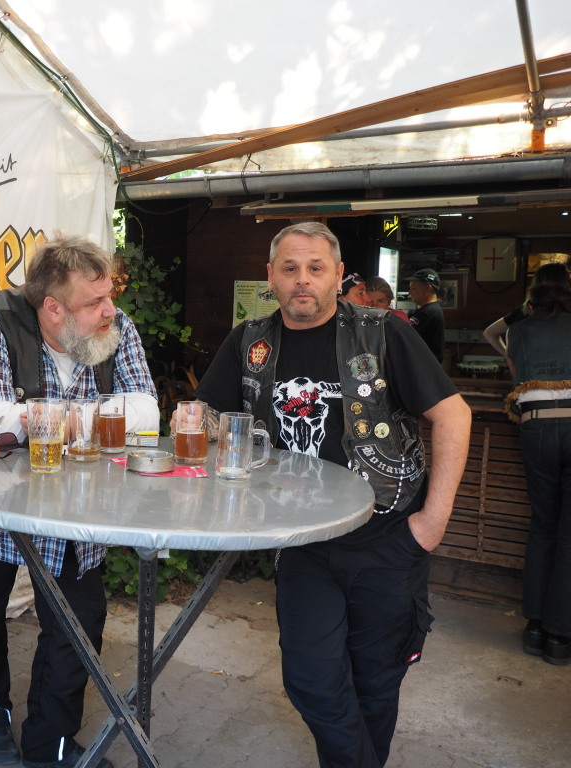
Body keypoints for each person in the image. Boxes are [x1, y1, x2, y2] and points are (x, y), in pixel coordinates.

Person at [194, 221, 471, 768]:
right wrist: (197, 427)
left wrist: (432, 523)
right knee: (310, 679)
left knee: (375, 681)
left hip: (386, 537)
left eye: (315, 268)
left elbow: (453, 415)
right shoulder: (249, 340)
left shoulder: (383, 332)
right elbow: (208, 413)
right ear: (270, 277)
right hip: (302, 543)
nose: (303, 279)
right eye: (290, 268)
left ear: (338, 275)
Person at [0, 233, 159, 768]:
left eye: (109, 296)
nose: (111, 310)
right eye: (95, 302)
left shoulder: (117, 326)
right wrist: (102, 418)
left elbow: (148, 416)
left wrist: (35, 420)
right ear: (53, 308)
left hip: (75, 509)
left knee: (78, 626)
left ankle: (49, 744)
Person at [503, 278, 571, 666]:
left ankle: (534, 628)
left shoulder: (518, 330)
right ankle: (559, 636)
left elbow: (510, 364)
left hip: (536, 426)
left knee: (543, 525)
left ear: (532, 304)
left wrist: (521, 314)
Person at [482, 262, 570, 357]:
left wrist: (511, 358)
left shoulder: (528, 309)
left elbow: (490, 333)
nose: (569, 284)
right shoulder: (527, 309)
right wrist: (510, 357)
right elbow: (490, 333)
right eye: (567, 280)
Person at [407, 268, 445, 362]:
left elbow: (405, 337)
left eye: (413, 288)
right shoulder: (433, 309)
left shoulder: (428, 313)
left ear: (427, 288)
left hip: (424, 366)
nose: (409, 292)